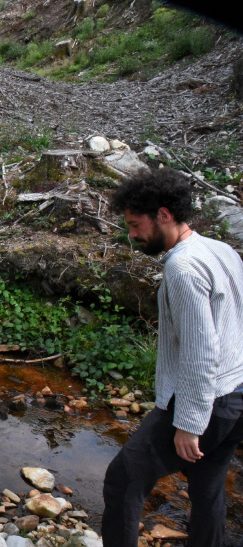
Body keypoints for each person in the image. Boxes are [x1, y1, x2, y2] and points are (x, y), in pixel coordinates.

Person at [103, 168, 243, 547]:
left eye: (135, 224)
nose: (131, 235)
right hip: (236, 394)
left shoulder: (182, 267)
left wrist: (190, 423)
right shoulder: (221, 249)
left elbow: (201, 350)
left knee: (124, 478)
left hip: (207, 401)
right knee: (209, 489)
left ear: (163, 214)